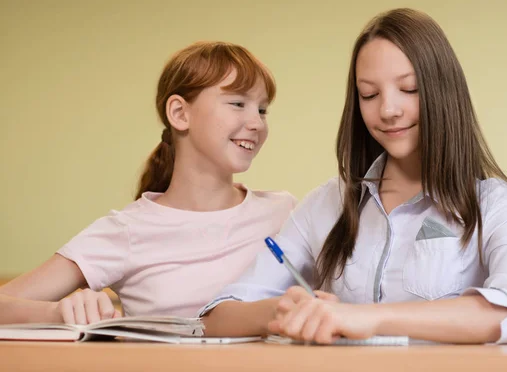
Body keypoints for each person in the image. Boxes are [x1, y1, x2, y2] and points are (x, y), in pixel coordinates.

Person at [200, 9, 507, 345]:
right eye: (369, 94)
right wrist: (284, 308)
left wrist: (368, 317)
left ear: (444, 91)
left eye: (409, 89)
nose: (388, 110)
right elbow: (217, 318)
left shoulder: (495, 205)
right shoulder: (327, 204)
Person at [0, 41, 296, 325]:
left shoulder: (285, 213)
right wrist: (58, 314)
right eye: (237, 103)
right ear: (180, 113)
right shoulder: (126, 231)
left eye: (262, 110)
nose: (257, 123)